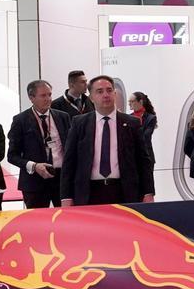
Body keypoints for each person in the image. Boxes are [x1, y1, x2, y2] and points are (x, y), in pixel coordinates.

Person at [61, 75, 155, 207]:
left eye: (109, 90)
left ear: (115, 94)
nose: (106, 95)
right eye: (100, 91)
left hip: (124, 191)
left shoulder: (131, 123)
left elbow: (143, 160)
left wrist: (148, 192)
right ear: (91, 97)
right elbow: (69, 162)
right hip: (89, 192)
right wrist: (66, 196)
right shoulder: (79, 123)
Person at [9, 80, 71, 209]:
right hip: (34, 181)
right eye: (43, 95)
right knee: (37, 224)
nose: (48, 99)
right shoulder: (20, 120)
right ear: (31, 98)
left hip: (61, 179)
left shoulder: (63, 117)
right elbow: (12, 156)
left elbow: (71, 148)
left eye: (49, 95)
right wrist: (35, 166)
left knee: (66, 220)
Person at [128, 91, 158, 159]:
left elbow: (146, 136)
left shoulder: (150, 118)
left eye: (131, 101)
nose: (129, 104)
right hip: (132, 157)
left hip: (146, 157)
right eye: (128, 101)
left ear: (140, 102)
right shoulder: (127, 118)